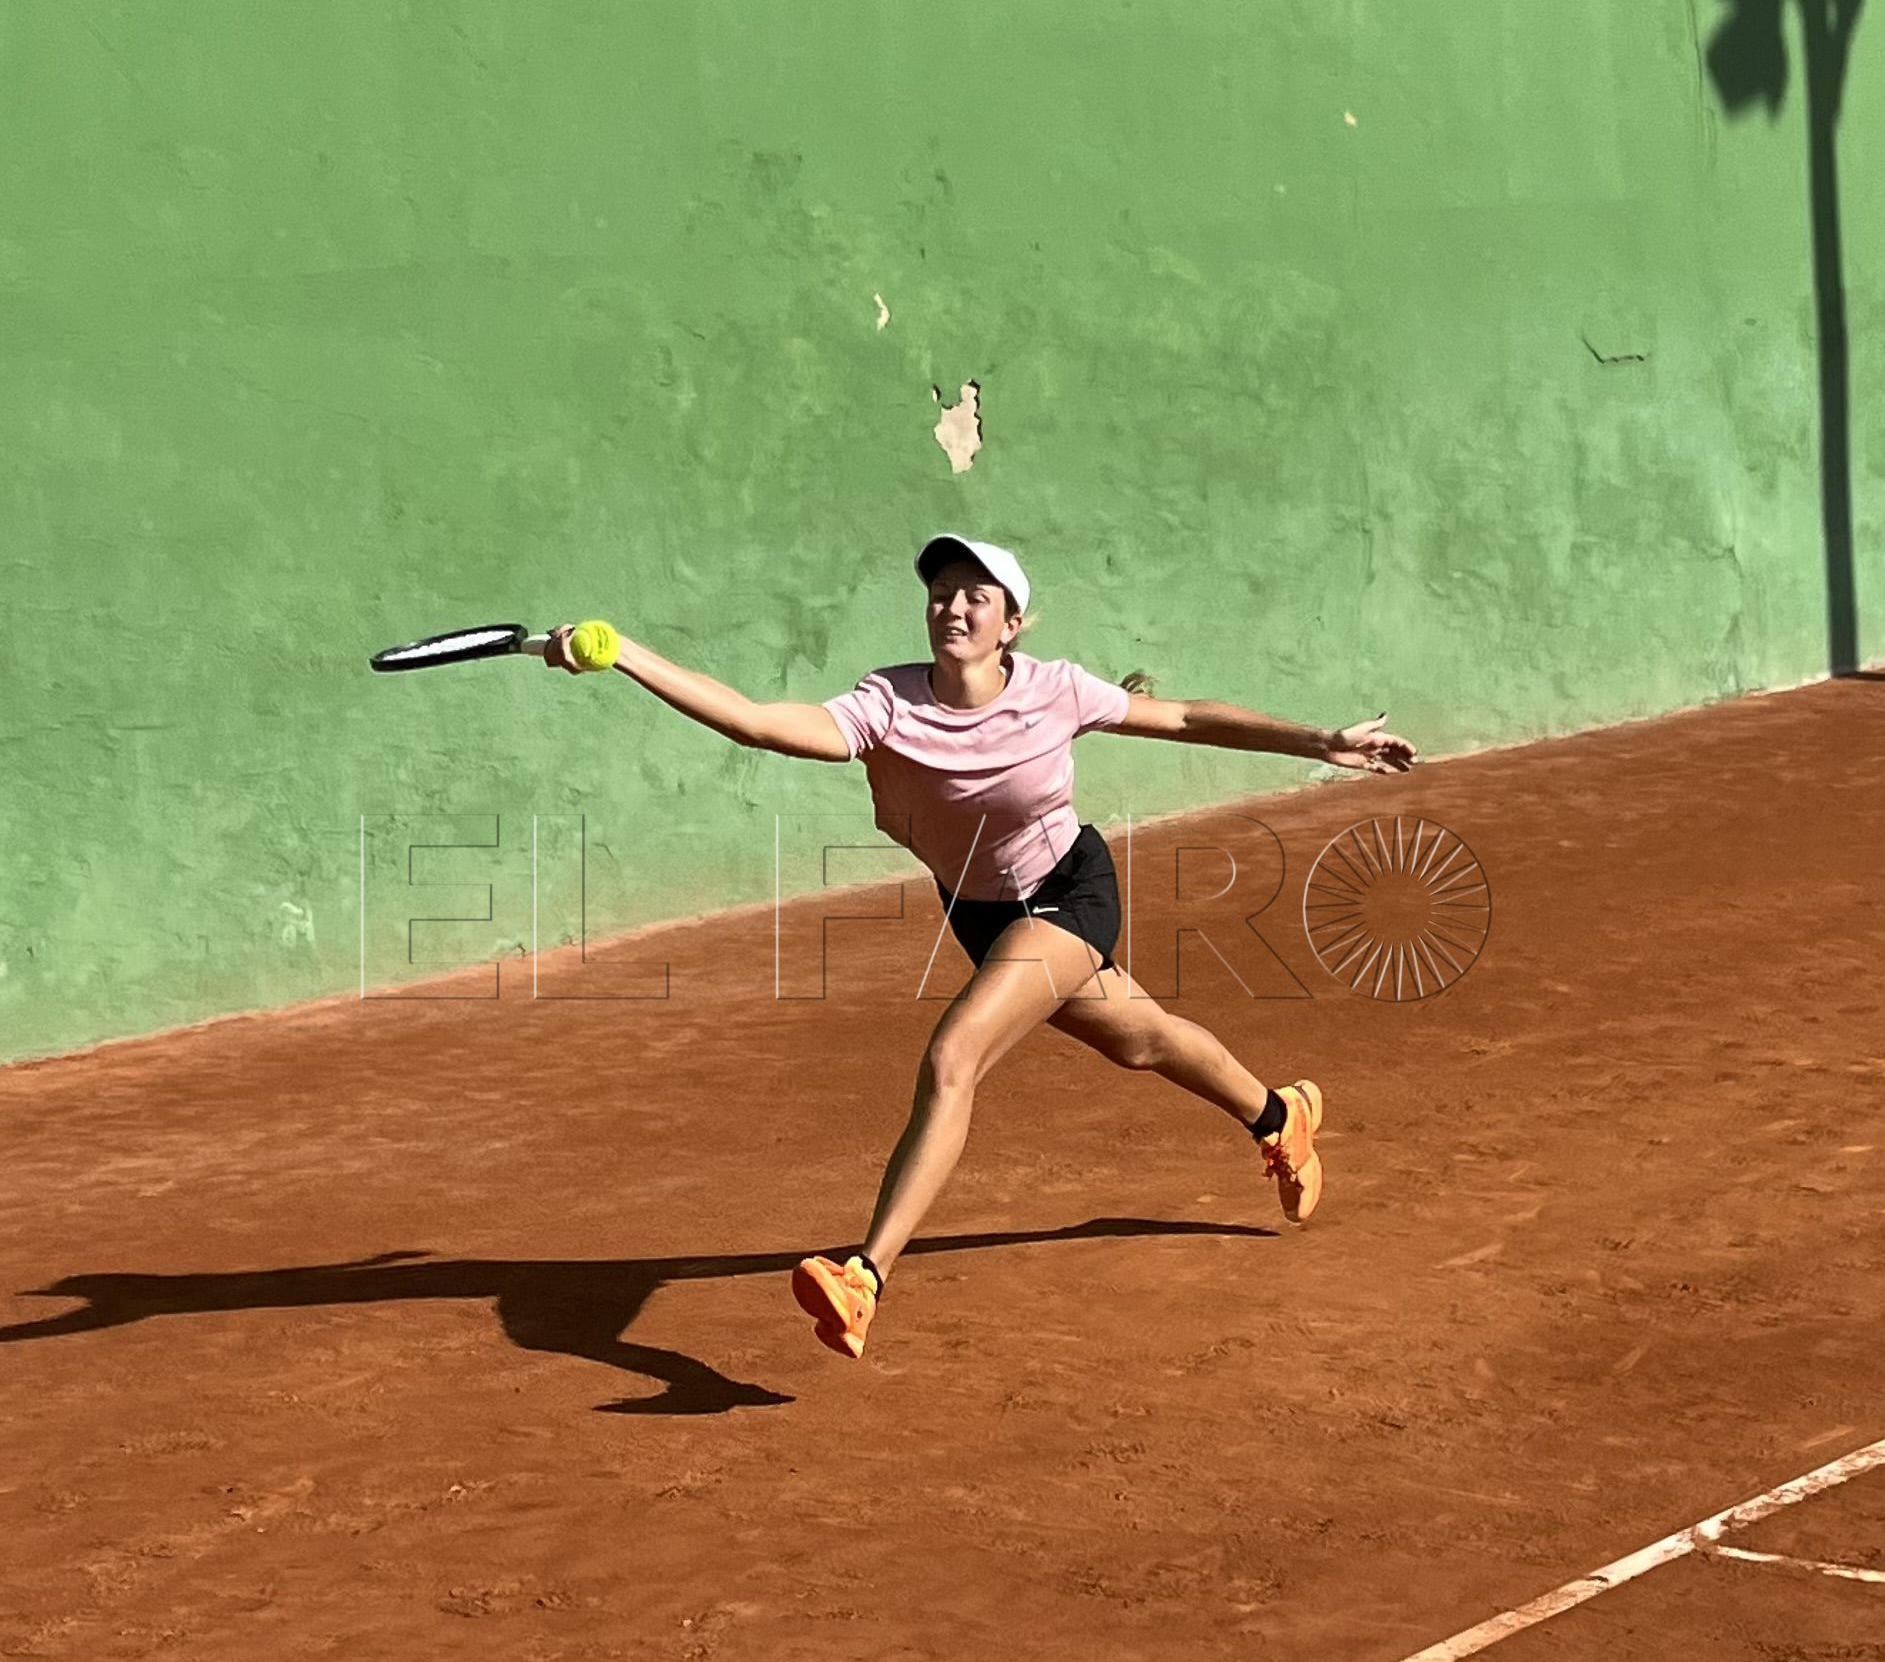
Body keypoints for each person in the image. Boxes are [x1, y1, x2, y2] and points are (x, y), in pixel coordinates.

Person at [547, 532, 1414, 1361]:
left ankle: (865, 1275)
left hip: (1070, 894)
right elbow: (752, 721)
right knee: (1141, 1039)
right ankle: (1278, 1115)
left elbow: (1183, 717)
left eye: (975, 595)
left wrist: (1317, 741)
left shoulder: (1055, 689)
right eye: (939, 592)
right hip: (978, 913)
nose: (952, 607)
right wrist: (623, 652)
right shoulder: (885, 704)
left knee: (953, 1058)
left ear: (1012, 622)